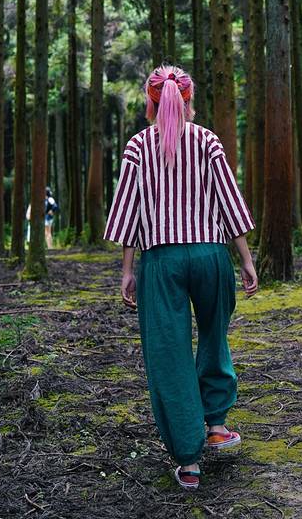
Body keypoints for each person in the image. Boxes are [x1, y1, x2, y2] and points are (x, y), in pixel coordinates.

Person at [103, 64, 258, 492]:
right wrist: (246, 259)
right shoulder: (207, 141)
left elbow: (128, 211)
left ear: (150, 103)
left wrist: (127, 270)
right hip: (211, 256)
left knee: (168, 353)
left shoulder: (137, 147)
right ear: (188, 100)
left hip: (161, 261)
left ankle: (189, 461)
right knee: (213, 335)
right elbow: (229, 201)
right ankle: (217, 426)